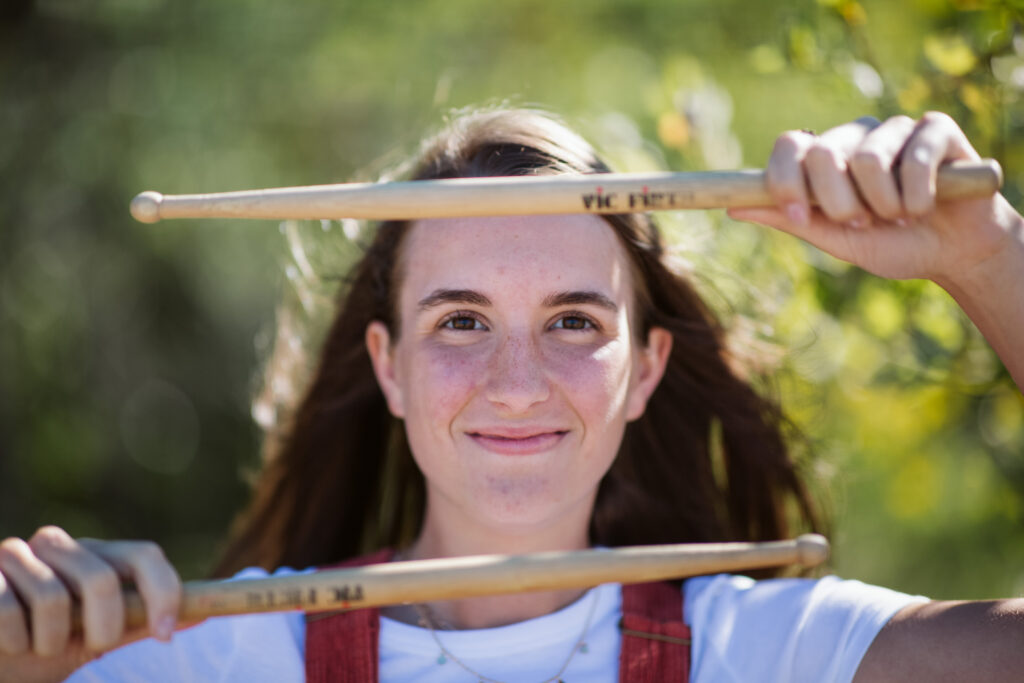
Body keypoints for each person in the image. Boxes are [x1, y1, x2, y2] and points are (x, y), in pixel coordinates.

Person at [1, 107, 1022, 683]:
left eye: (574, 320)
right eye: (460, 321)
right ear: (389, 365)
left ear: (645, 370)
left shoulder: (768, 652)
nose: (518, 384)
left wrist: (985, 258)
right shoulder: (213, 663)